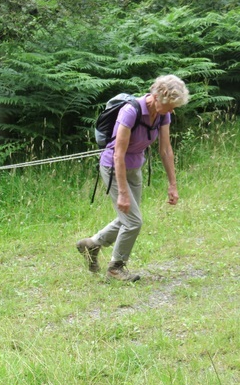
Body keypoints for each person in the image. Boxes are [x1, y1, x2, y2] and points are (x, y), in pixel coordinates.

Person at [76, 75, 190, 282]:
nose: (172, 110)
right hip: (113, 167)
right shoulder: (130, 111)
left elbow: (165, 150)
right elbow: (118, 154)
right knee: (133, 221)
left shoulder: (163, 115)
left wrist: (173, 185)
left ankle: (91, 244)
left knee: (127, 218)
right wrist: (121, 192)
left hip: (135, 167)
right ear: (157, 97)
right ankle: (115, 267)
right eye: (170, 106)